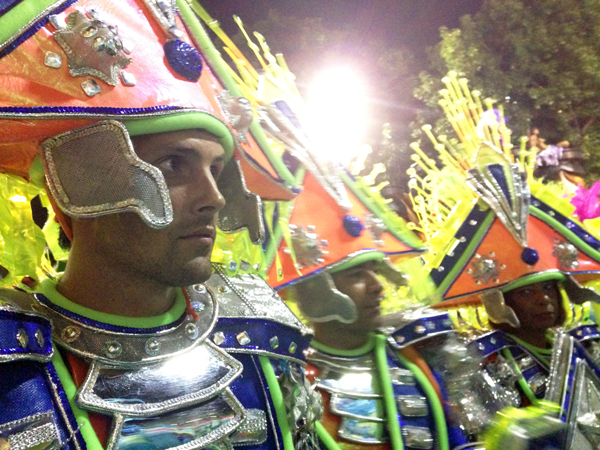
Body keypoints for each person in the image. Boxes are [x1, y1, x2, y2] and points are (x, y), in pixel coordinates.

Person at [0, 1, 325, 449]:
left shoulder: (261, 342)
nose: (213, 198)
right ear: (77, 186)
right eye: (174, 165)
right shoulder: (10, 368)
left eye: (217, 171)